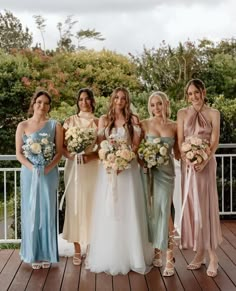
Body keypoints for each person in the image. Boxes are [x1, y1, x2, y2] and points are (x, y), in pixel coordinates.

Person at [86, 87, 153, 275]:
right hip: (108, 172)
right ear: (112, 99)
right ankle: (110, 255)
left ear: (127, 100)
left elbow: (136, 145)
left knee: (128, 208)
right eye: (117, 97)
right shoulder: (104, 120)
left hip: (128, 171)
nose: (119, 100)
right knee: (110, 211)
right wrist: (110, 160)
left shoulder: (134, 120)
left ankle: (133, 256)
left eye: (123, 98)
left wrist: (124, 162)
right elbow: (100, 146)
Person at [177, 78, 222, 277]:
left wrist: (203, 159)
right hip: (187, 165)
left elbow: (214, 141)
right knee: (193, 207)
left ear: (203, 92)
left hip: (206, 164)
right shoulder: (182, 114)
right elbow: (180, 141)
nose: (193, 97)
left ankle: (213, 255)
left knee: (206, 206)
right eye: (190, 94)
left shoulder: (214, 113)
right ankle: (200, 252)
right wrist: (188, 157)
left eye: (196, 92)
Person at [15, 90, 63, 269]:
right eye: (39, 102)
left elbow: (59, 153)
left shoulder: (54, 125)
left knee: (47, 211)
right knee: (30, 211)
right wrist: (33, 168)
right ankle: (32, 253)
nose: (42, 106)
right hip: (29, 173)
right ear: (33, 103)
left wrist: (46, 168)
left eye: (46, 103)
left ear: (49, 106)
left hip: (48, 174)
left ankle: (47, 254)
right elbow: (19, 153)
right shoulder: (23, 125)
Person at [140, 91, 180, 277]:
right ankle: (156, 250)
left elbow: (179, 153)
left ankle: (169, 256)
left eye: (159, 104)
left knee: (165, 209)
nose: (156, 108)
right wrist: (144, 162)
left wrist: (195, 153)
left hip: (166, 173)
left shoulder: (174, 126)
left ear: (166, 104)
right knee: (152, 211)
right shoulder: (144, 124)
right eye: (153, 105)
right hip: (149, 172)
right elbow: (138, 149)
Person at [60, 88, 99, 265]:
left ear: (92, 101)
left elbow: (102, 148)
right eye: (81, 99)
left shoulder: (99, 122)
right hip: (74, 168)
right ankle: (77, 248)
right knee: (75, 206)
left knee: (92, 205)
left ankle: (91, 246)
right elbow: (62, 147)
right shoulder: (69, 121)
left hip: (92, 168)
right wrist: (73, 156)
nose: (84, 102)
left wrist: (89, 156)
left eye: (87, 99)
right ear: (77, 102)